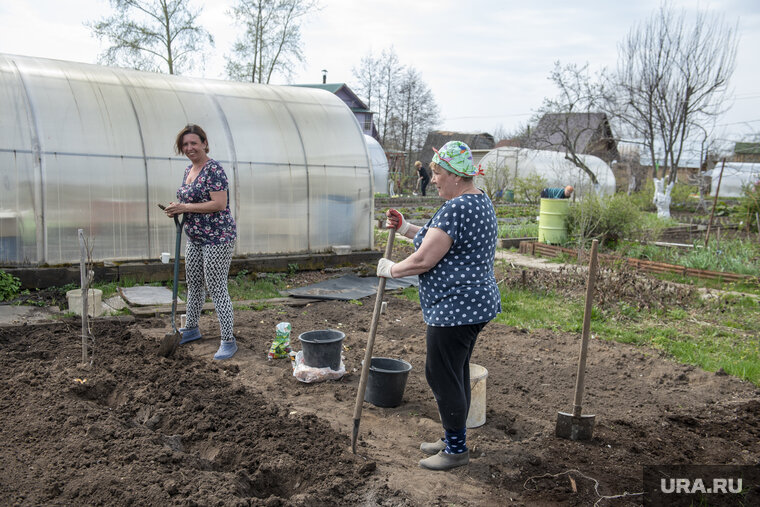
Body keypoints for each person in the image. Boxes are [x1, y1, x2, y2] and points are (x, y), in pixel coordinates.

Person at [376, 140, 501, 471]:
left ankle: (456, 450)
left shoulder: (457, 208)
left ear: (457, 176)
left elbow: (424, 259)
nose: (433, 179)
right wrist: (404, 227)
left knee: (441, 374)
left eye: (438, 173)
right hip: (474, 305)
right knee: (455, 371)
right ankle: (451, 438)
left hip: (456, 308)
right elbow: (436, 237)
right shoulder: (477, 202)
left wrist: (392, 269)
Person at [163, 124, 238, 361]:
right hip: (194, 236)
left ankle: (228, 340)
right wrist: (176, 208)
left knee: (216, 287)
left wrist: (185, 207)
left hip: (217, 237)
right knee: (194, 284)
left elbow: (219, 204)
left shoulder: (213, 169)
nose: (189, 148)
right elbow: (189, 199)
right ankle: (192, 329)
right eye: (185, 144)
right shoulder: (189, 169)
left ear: (204, 143)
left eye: (194, 143)